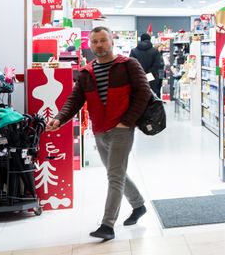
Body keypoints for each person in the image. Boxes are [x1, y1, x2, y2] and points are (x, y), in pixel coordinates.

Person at [46, 26, 150, 241]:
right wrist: (59, 119)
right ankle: (138, 205)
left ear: (112, 41)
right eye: (95, 42)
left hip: (122, 129)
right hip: (99, 130)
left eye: (103, 40)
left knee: (114, 176)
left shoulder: (128, 64)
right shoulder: (86, 72)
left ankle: (107, 225)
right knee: (116, 173)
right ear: (90, 45)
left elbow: (144, 93)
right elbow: (74, 100)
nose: (99, 45)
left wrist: (126, 122)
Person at [129, 33, 163, 97]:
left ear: (141, 40)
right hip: (152, 78)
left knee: (138, 98)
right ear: (149, 40)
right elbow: (157, 65)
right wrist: (148, 75)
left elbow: (131, 65)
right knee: (151, 97)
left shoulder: (134, 51)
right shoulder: (155, 51)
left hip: (137, 78)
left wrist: (140, 74)